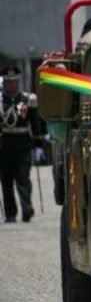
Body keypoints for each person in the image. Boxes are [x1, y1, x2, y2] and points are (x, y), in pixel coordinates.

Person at [0, 67, 39, 223]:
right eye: (8, 82)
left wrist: (38, 142)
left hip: (22, 144)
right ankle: (10, 214)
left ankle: (26, 208)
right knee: (6, 181)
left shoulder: (27, 99)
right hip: (4, 146)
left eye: (13, 82)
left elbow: (35, 122)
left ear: (17, 82)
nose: (11, 85)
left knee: (23, 178)